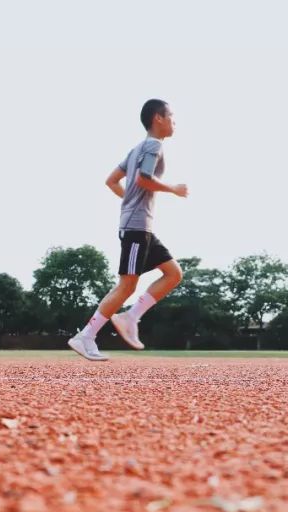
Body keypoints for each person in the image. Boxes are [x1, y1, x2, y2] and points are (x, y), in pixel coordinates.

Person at [68, 99, 187, 361]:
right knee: (126, 285)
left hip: (140, 225)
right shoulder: (154, 145)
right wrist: (173, 190)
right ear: (158, 118)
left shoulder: (136, 149)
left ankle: (131, 316)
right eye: (172, 117)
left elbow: (112, 181)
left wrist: (129, 202)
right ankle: (85, 336)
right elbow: (142, 179)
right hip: (135, 227)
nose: (174, 122)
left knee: (173, 273)